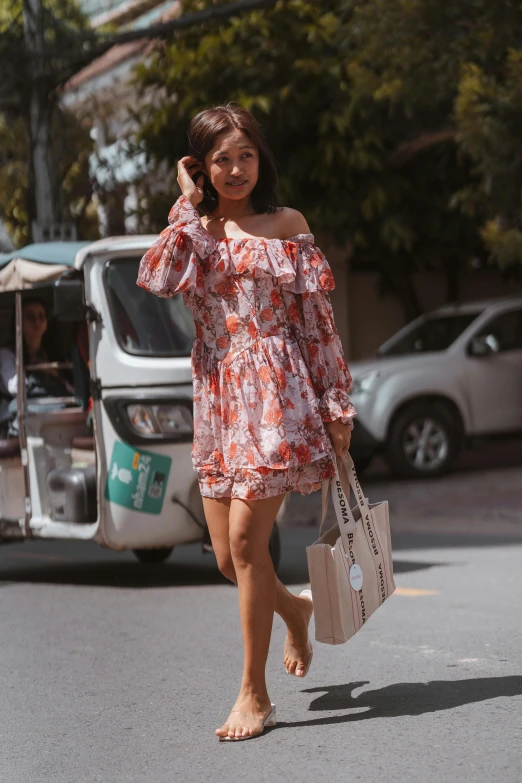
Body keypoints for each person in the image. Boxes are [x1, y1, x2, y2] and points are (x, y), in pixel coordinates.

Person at [136, 104, 356, 741]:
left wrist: (337, 406)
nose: (236, 170)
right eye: (221, 160)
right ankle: (294, 611)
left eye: (246, 156)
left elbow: (318, 326)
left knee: (243, 545)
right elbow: (155, 277)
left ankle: (253, 695)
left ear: (263, 159)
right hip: (218, 398)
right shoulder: (196, 232)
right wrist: (185, 206)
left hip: (277, 397)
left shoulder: (286, 225)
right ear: (202, 168)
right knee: (231, 561)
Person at [0, 297, 71, 436]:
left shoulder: (51, 354)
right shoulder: (6, 354)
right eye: (30, 317)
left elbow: (70, 389)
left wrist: (55, 375)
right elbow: (16, 388)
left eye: (41, 316)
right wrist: (39, 371)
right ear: (18, 322)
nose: (37, 322)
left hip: (50, 416)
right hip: (14, 421)